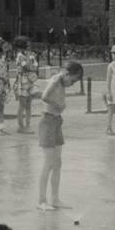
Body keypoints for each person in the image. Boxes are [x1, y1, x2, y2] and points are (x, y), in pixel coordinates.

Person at [37, 61, 84, 210]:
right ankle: (41, 201)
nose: (72, 84)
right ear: (66, 73)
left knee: (57, 163)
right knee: (49, 163)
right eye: (72, 80)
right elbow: (44, 96)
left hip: (56, 121)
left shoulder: (62, 81)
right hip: (48, 121)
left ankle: (55, 199)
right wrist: (58, 105)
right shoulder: (57, 79)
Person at [12, 35, 38, 134]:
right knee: (22, 105)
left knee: (29, 105)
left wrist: (30, 65)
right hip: (22, 81)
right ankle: (21, 126)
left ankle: (28, 126)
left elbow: (35, 67)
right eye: (27, 45)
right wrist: (29, 63)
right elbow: (27, 67)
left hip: (30, 81)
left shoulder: (32, 56)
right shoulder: (20, 56)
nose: (29, 46)